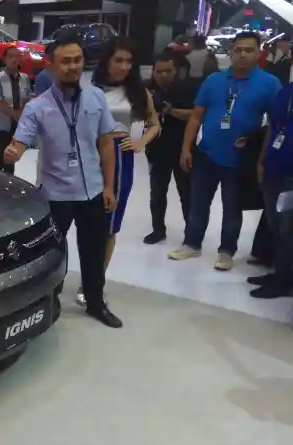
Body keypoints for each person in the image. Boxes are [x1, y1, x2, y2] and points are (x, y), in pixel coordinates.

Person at [3, 34, 123, 329]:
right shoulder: (38, 107)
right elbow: (20, 141)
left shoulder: (96, 97)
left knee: (94, 251)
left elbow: (106, 144)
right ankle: (50, 300)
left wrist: (109, 186)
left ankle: (95, 302)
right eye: (66, 61)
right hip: (56, 195)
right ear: (51, 65)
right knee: (53, 253)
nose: (73, 67)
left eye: (78, 60)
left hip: (93, 190)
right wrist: (13, 151)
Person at [170, 32, 282, 270]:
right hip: (206, 154)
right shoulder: (214, 80)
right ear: (231, 51)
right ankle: (192, 243)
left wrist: (262, 157)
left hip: (239, 159)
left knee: (232, 208)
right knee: (198, 203)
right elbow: (196, 116)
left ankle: (226, 250)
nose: (243, 54)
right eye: (239, 49)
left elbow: (275, 124)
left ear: (259, 53)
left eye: (249, 50)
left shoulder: (269, 84)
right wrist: (186, 148)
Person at [83, 37, 160, 306]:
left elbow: (154, 124)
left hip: (120, 158)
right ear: (107, 61)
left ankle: (95, 283)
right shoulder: (91, 90)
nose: (125, 66)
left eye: (129, 61)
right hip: (90, 156)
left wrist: (140, 142)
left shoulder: (138, 92)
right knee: (87, 221)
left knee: (109, 223)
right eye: (119, 60)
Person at [143, 51, 194, 244]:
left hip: (182, 148)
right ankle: (158, 230)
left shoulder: (186, 88)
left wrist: (171, 111)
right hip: (156, 149)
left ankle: (191, 232)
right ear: (153, 71)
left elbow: (195, 115)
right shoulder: (146, 89)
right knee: (157, 193)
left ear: (175, 71)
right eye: (159, 71)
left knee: (186, 194)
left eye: (168, 70)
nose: (163, 75)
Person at [249, 83, 293, 298]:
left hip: (290, 175)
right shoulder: (287, 91)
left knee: (287, 231)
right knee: (275, 226)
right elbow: (273, 127)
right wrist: (262, 159)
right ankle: (279, 273)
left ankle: (283, 281)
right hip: (274, 168)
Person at [0, 46, 31, 174]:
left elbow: (27, 98)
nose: (14, 59)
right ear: (4, 59)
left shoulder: (24, 78)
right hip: (2, 125)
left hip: (17, 126)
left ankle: (9, 182)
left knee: (11, 157)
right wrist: (15, 114)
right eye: (11, 56)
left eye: (17, 56)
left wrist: (20, 114)